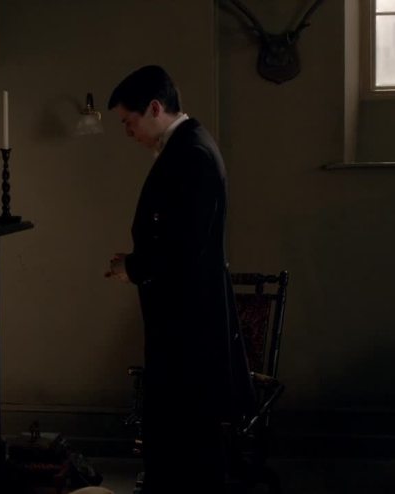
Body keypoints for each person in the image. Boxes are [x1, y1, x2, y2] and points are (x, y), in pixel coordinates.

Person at [104, 65, 254, 492]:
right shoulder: (187, 147)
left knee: (187, 445)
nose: (127, 132)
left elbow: (185, 247)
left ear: (155, 108)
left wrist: (133, 267)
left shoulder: (192, 154)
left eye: (129, 121)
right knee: (179, 441)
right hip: (183, 320)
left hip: (189, 325)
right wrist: (136, 262)